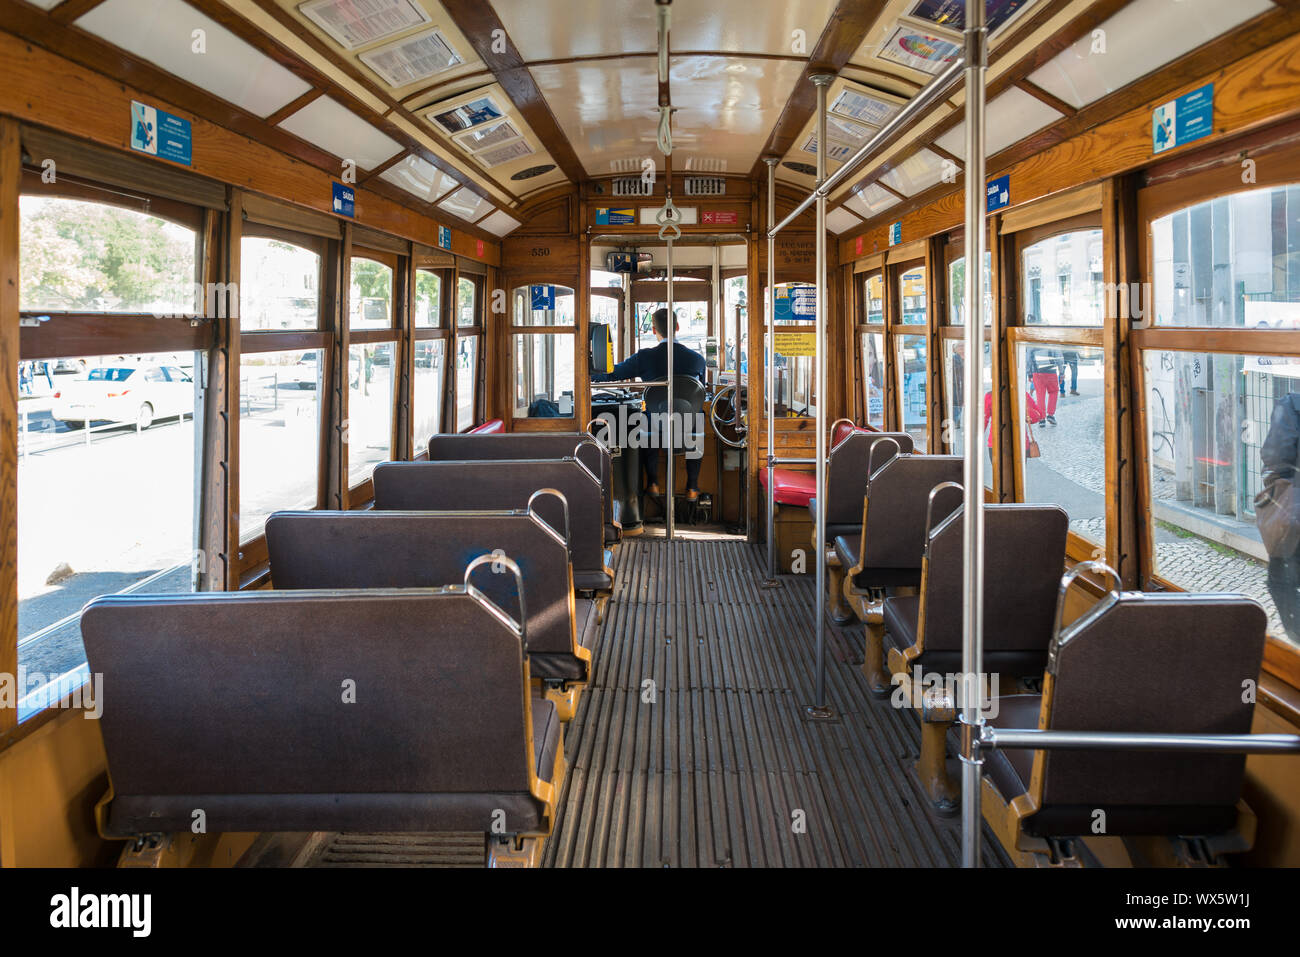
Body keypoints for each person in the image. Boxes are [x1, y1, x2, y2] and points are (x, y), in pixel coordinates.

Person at [594, 307, 706, 499]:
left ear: (654, 330)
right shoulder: (697, 359)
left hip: (656, 425)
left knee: (646, 420)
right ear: (677, 327)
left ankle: (653, 482)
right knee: (698, 418)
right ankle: (692, 486)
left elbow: (613, 373)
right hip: (688, 425)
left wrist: (591, 369)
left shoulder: (645, 357)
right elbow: (700, 392)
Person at [1260, 391, 1300, 644]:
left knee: (1281, 580)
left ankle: (1296, 643)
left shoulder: (1293, 404)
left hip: (1297, 519)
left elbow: (1275, 456)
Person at [1027, 346, 1060, 425]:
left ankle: (1042, 419)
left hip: (1037, 372)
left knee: (1040, 395)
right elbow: (1059, 358)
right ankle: (1051, 415)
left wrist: (1029, 373)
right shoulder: (1051, 343)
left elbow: (1028, 360)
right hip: (1051, 371)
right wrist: (1061, 372)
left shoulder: (1033, 344)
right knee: (1053, 392)